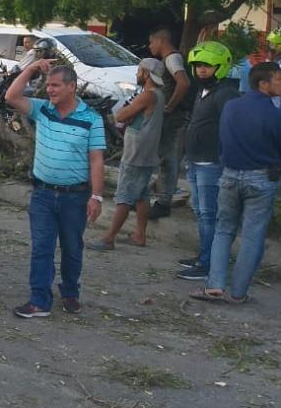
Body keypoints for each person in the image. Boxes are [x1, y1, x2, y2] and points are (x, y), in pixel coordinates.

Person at [5, 61, 106, 318]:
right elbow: (11, 96)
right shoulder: (42, 110)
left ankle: (70, 291)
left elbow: (96, 159)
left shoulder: (91, 119)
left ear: (71, 87)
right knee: (42, 247)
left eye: (55, 85)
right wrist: (30, 69)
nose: (49, 90)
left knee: (72, 247)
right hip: (43, 194)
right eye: (48, 84)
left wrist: (96, 196)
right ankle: (39, 300)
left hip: (75, 197)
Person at [190, 62, 281, 304]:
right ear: (264, 84)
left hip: (229, 174)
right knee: (252, 236)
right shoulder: (275, 114)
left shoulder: (231, 106)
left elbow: (222, 140)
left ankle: (215, 285)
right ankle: (239, 292)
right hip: (261, 178)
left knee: (224, 230)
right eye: (278, 80)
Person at [175, 41, 239, 281]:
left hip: (211, 164)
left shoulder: (225, 94)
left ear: (220, 67)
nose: (202, 70)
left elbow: (231, 127)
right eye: (199, 65)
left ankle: (207, 263)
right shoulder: (203, 91)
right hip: (196, 161)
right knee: (202, 213)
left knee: (209, 214)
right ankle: (203, 255)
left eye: (208, 66)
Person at [88, 58, 166, 250]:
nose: (137, 74)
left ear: (146, 74)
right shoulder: (159, 94)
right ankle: (139, 234)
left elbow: (121, 116)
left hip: (135, 153)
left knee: (124, 195)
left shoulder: (147, 95)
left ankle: (109, 238)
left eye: (140, 71)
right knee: (141, 195)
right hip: (147, 153)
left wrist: (125, 114)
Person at [148, 27, 191, 219]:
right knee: (165, 157)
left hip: (173, 117)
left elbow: (183, 83)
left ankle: (164, 201)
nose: (150, 47)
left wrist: (170, 106)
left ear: (160, 41)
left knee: (167, 157)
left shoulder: (172, 58)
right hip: (173, 115)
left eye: (151, 43)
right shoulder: (172, 58)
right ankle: (160, 196)